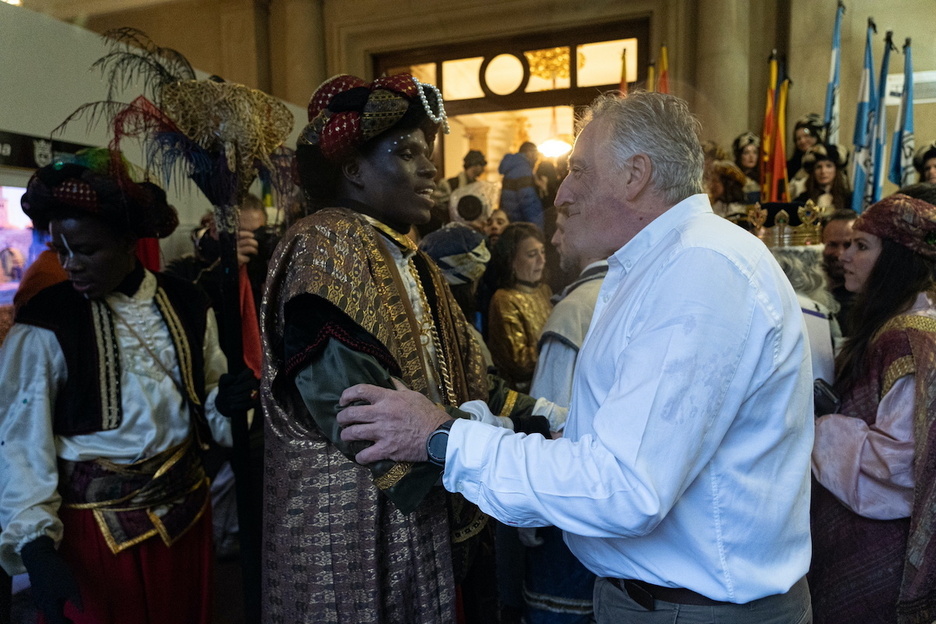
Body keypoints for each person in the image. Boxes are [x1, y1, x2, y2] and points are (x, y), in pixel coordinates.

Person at [335, 90, 814, 624]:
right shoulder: (659, 266)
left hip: (693, 610)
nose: (561, 193)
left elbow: (625, 488)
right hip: (660, 600)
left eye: (579, 171)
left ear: (635, 174)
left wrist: (442, 439)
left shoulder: (698, 271)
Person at [260, 73, 557, 624]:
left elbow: (465, 375)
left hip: (425, 495)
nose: (428, 169)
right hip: (355, 518)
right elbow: (356, 410)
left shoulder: (410, 256)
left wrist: (537, 417)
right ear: (352, 169)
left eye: (428, 152)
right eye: (404, 152)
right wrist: (477, 457)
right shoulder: (326, 241)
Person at [0, 152, 257, 624]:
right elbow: (19, 436)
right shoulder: (47, 320)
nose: (72, 265)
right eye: (62, 251)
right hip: (97, 531)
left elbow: (209, 394)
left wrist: (230, 402)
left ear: (126, 241)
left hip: (187, 517)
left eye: (88, 250)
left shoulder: (186, 300)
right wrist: (35, 543)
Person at [810, 193, 936, 624]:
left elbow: (899, 463)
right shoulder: (896, 324)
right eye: (847, 245)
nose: (846, 255)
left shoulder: (906, 337)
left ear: (897, 259)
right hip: (858, 534)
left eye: (861, 247)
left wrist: (817, 427)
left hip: (879, 547)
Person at [522, 207, 608, 624]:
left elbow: (549, 421)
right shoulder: (635, 292)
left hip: (571, 505)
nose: (555, 241)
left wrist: (531, 510)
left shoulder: (574, 310)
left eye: (561, 227)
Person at [487, 222, 552, 392]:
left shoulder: (544, 290)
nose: (542, 260)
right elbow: (519, 363)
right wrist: (557, 348)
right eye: (532, 254)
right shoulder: (504, 299)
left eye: (543, 252)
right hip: (525, 394)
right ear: (511, 261)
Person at [821, 208, 858, 336]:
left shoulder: (870, 302)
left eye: (848, 245)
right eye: (832, 245)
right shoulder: (812, 293)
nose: (840, 254)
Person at [500, 142, 545, 229]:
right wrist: (536, 229)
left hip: (514, 222)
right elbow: (528, 202)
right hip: (524, 225)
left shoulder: (513, 168)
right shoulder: (523, 170)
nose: (537, 158)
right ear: (529, 153)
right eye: (536, 154)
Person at [795, 144, 852, 212]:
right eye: (818, 167)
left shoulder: (848, 199)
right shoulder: (802, 200)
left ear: (836, 170)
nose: (823, 171)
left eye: (828, 166)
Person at [786, 113, 825, 198]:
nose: (802, 141)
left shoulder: (828, 159)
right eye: (798, 139)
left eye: (806, 136)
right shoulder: (791, 165)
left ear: (816, 137)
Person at [732, 131, 762, 203]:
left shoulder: (761, 178)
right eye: (746, 152)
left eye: (755, 152)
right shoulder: (734, 178)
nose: (751, 156)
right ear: (739, 156)